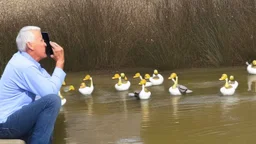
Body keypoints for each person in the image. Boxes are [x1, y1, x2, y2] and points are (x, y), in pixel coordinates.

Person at [0, 26, 66, 144]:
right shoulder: (24, 65)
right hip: (4, 125)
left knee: (45, 120)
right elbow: (51, 96)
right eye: (41, 40)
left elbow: (52, 89)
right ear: (30, 45)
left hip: (12, 121)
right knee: (51, 102)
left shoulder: (30, 63)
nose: (46, 44)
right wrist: (60, 62)